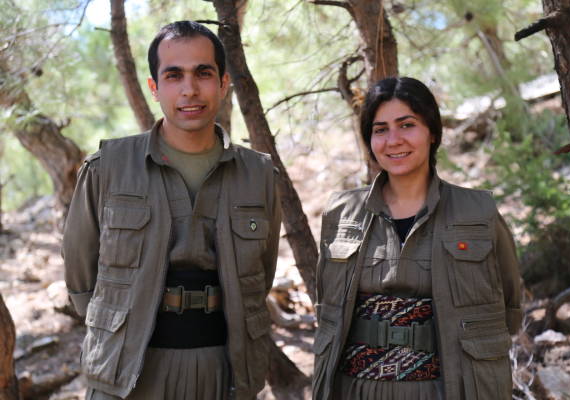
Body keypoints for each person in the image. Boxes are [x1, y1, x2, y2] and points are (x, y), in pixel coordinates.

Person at [63, 21, 281, 400]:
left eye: (203, 73)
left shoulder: (258, 174)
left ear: (223, 83)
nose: (189, 89)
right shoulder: (109, 167)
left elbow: (262, 273)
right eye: (174, 75)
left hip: (222, 370)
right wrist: (115, 331)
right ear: (154, 87)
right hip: (127, 373)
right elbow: (80, 273)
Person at [312, 76, 522, 400]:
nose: (393, 140)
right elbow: (327, 306)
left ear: (432, 132)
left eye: (406, 125)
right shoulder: (341, 212)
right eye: (380, 129)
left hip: (445, 390)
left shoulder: (477, 212)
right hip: (356, 389)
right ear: (369, 140)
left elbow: (510, 306)